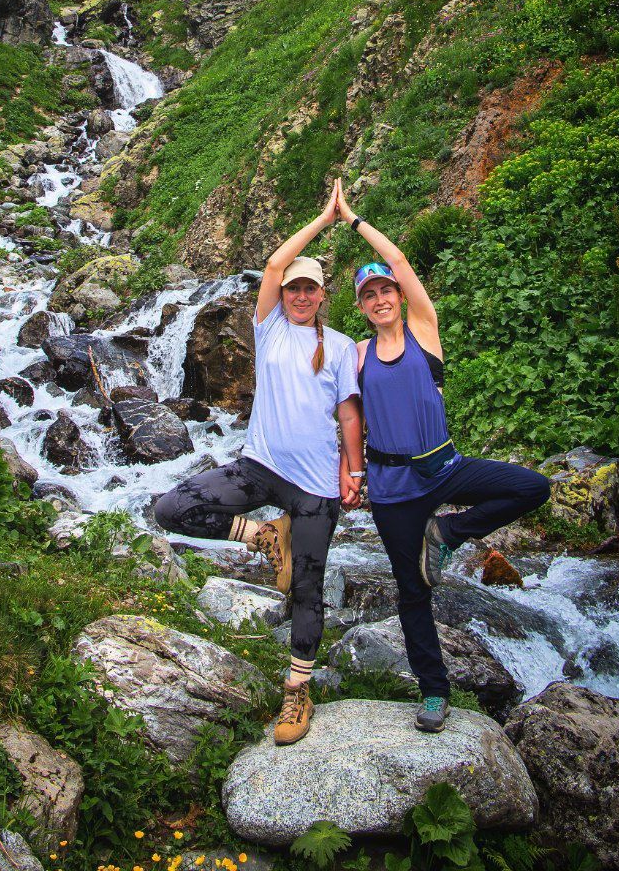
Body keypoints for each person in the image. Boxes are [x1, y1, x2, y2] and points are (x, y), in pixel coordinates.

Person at [336, 180, 550, 732]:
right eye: (369, 295)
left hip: (446, 470)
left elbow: (401, 260)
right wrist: (350, 471)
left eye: (386, 290)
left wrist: (353, 219)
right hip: (392, 491)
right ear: (361, 306)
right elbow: (348, 419)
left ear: (399, 295)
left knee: (533, 487)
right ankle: (434, 692)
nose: (381, 299)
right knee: (413, 592)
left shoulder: (423, 332)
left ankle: (448, 533)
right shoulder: (356, 355)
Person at [155, 181, 363, 745]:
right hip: (259, 468)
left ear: (322, 296)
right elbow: (272, 264)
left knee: (307, 589)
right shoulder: (268, 329)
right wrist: (325, 219)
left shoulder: (340, 346)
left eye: (309, 289)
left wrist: (354, 470)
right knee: (172, 508)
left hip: (315, 487)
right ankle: (264, 536)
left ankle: (297, 690)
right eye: (294, 288)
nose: (300, 295)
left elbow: (349, 414)